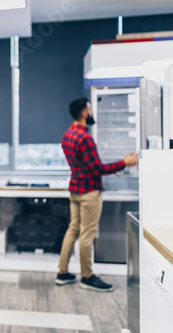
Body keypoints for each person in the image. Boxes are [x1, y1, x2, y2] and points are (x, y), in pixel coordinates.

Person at [55, 97, 139, 292]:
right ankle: (87, 276)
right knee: (87, 234)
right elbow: (97, 169)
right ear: (84, 113)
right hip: (89, 193)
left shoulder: (67, 135)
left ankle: (62, 272)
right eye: (90, 109)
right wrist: (125, 163)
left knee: (73, 229)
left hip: (75, 190)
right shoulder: (85, 138)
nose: (92, 112)